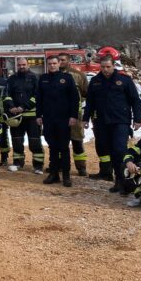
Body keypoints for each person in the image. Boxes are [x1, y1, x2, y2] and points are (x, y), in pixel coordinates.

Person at [84, 54, 141, 194]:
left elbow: (135, 100)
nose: (105, 70)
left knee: (119, 151)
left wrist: (138, 119)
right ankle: (114, 177)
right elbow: (90, 102)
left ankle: (122, 181)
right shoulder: (96, 81)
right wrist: (85, 118)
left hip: (120, 121)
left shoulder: (124, 80)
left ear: (113, 65)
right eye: (102, 67)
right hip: (102, 122)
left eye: (108, 67)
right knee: (105, 149)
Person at [36, 56, 79, 186]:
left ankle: (66, 175)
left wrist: (73, 116)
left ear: (59, 63)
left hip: (64, 118)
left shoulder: (67, 78)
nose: (52, 65)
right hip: (49, 119)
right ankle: (54, 174)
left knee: (64, 148)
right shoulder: (43, 79)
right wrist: (38, 115)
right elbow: (39, 99)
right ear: (47, 65)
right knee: (52, 147)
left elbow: (74, 98)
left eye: (55, 63)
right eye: (50, 64)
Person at [4, 58, 43, 174]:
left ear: (28, 65)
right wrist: (11, 107)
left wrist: (23, 107)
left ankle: (38, 166)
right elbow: (7, 94)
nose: (21, 66)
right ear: (17, 65)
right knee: (17, 140)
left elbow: (37, 95)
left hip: (32, 116)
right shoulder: (12, 79)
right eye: (19, 65)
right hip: (16, 116)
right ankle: (17, 163)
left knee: (35, 141)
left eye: (24, 64)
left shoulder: (35, 78)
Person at [58, 53, 89, 176]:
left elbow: (86, 93)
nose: (60, 62)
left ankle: (81, 168)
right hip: (59, 115)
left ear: (69, 61)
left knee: (77, 141)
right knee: (60, 142)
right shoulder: (53, 75)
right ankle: (61, 165)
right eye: (58, 60)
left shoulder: (79, 75)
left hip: (76, 116)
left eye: (63, 60)